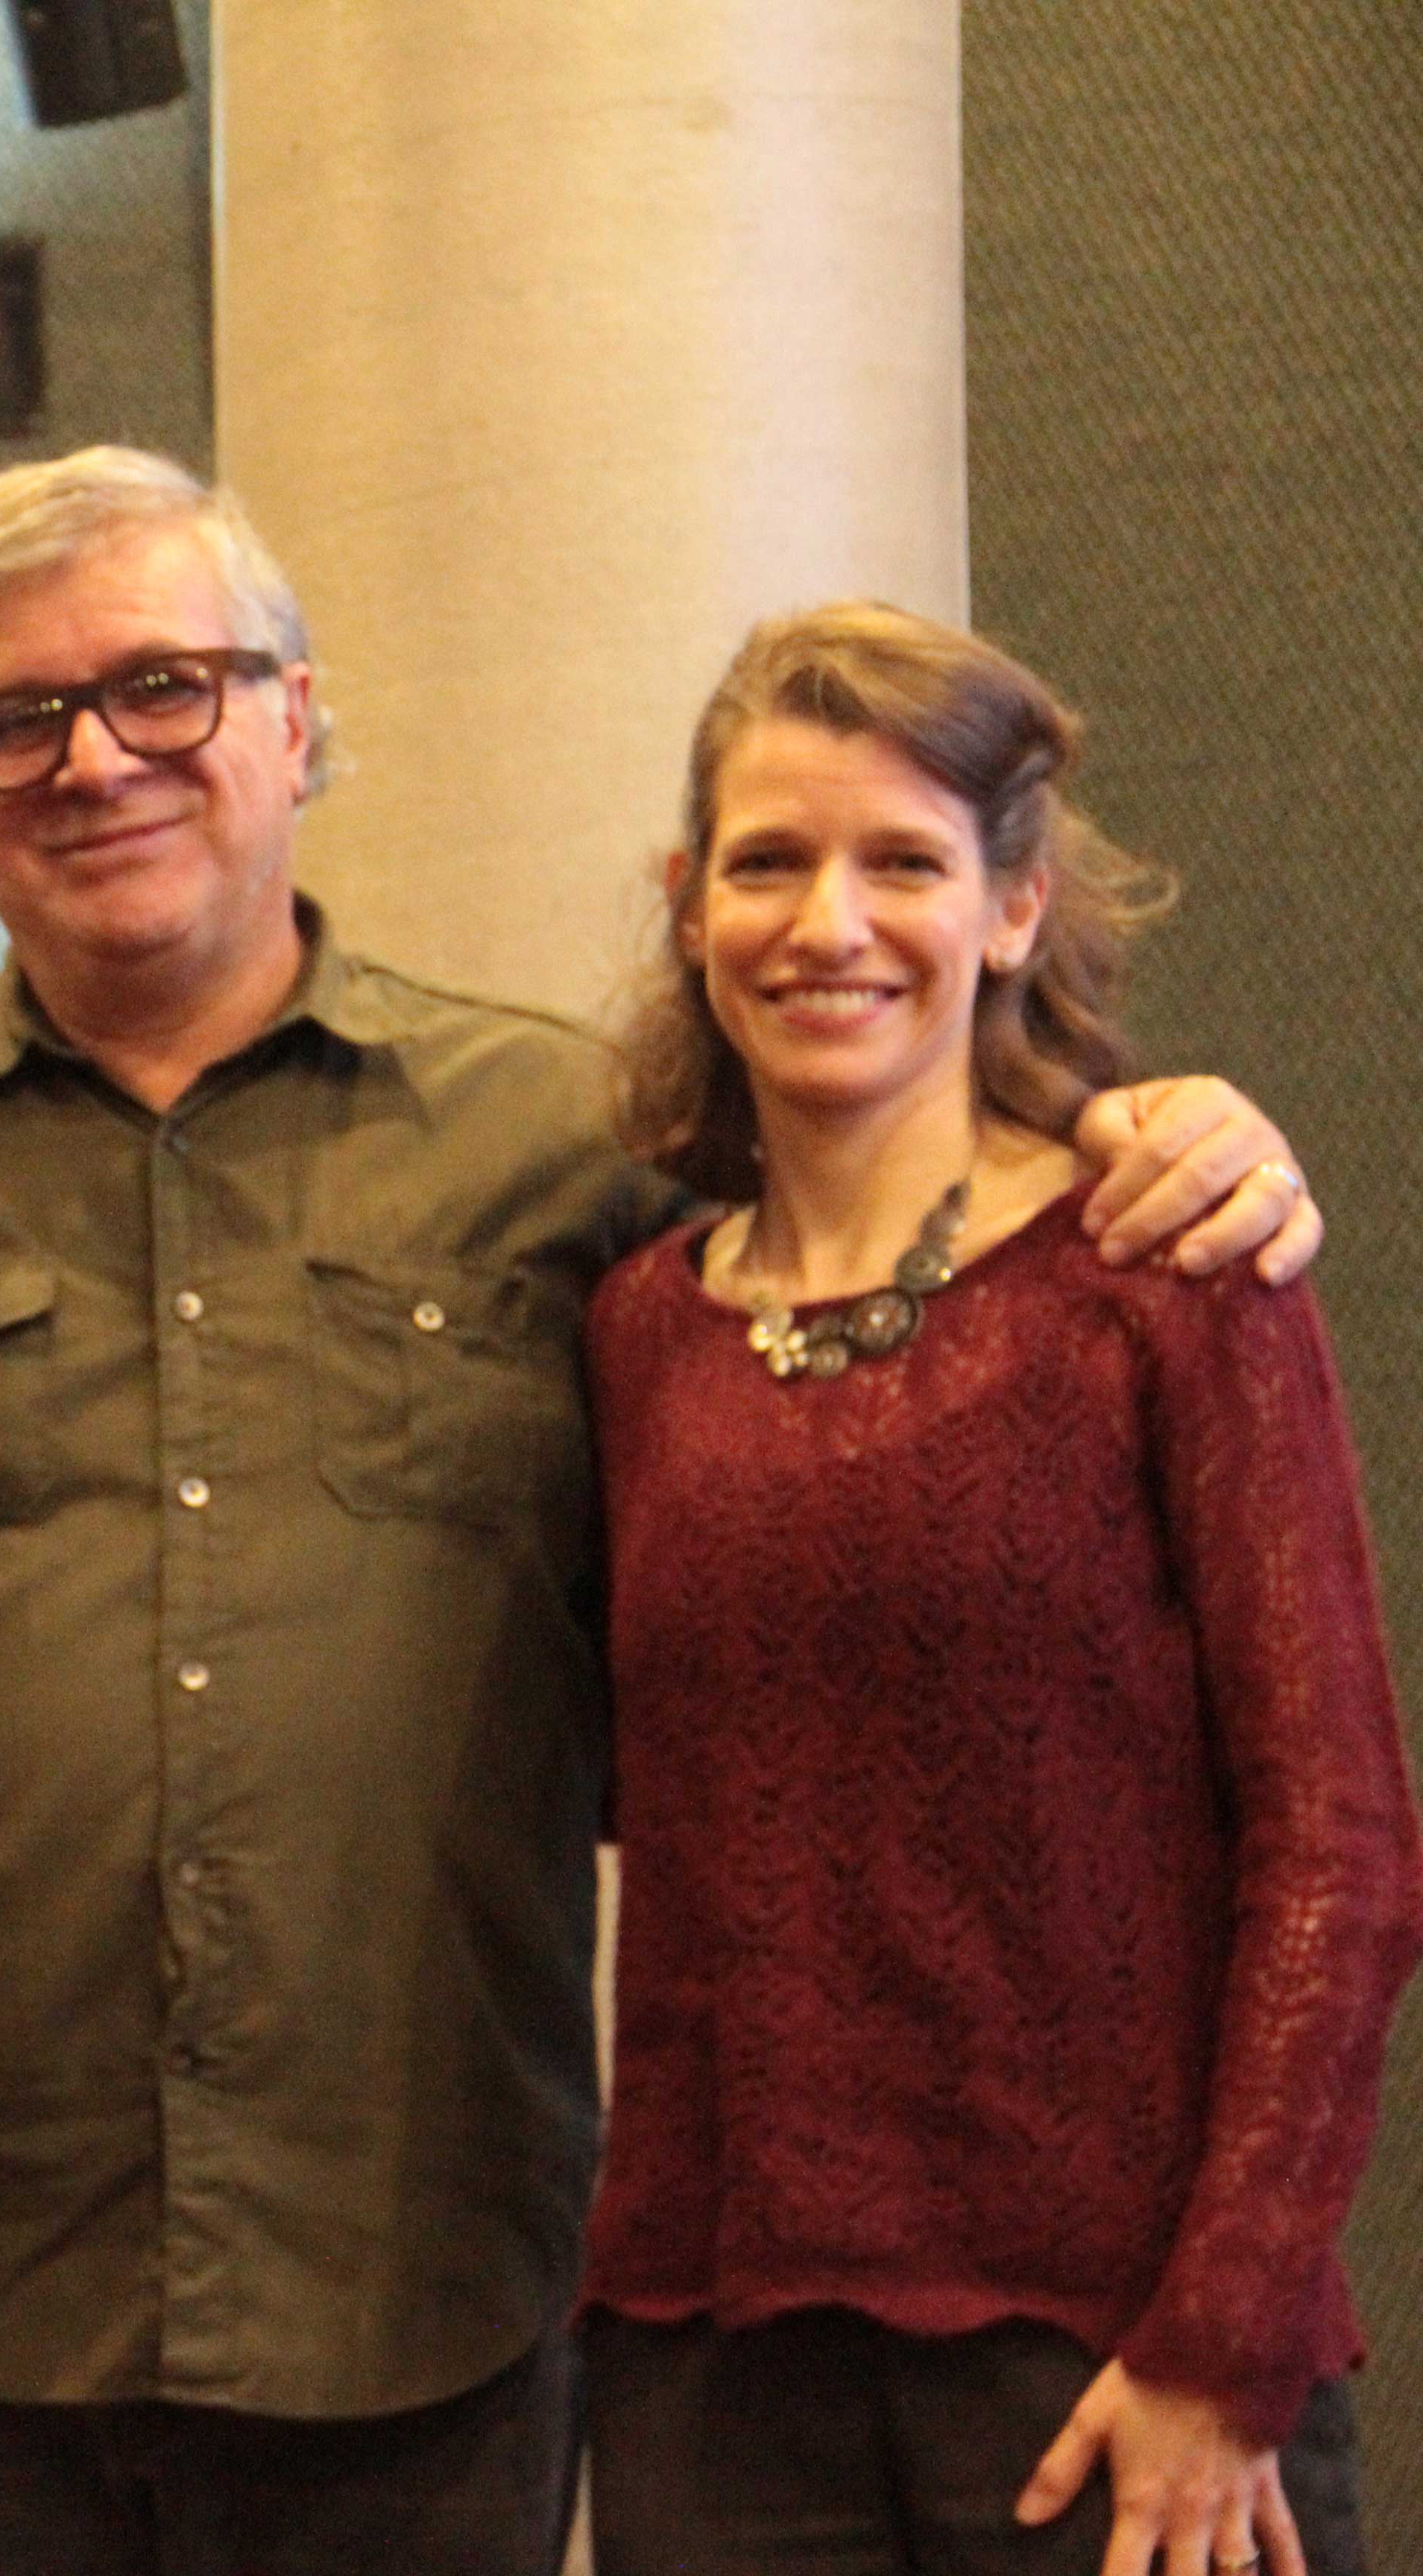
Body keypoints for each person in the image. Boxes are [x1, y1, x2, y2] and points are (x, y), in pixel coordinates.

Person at [0, 446, 1325, 2575]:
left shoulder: (574, 1158)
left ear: (297, 718)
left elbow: (895, 1241)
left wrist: (1145, 1121)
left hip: (411, 2331)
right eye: (14, 719)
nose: (96, 759)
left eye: (164, 686)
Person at [578, 603, 1422, 2576]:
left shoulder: (1169, 1276)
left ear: (1016, 908)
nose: (829, 924)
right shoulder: (636, 1329)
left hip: (1114, 2357)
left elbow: (1344, 1847)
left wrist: (1225, 2341)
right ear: (692, 907)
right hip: (714, 2368)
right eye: (769, 863)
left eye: (904, 862)